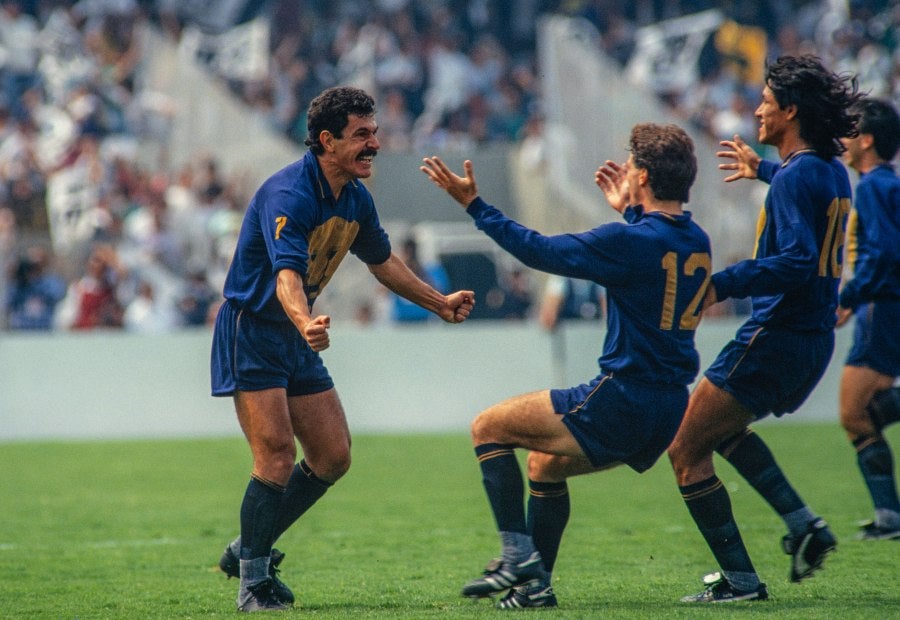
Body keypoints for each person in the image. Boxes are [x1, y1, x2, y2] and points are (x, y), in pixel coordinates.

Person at [420, 122, 712, 609]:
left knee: (487, 427)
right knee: (545, 466)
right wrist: (634, 212)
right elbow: (655, 249)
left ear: (640, 174)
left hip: (624, 397)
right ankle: (537, 590)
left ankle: (516, 557)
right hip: (667, 408)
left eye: (632, 164)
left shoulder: (627, 241)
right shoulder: (695, 237)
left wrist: (474, 205)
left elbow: (538, 250)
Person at [210, 86, 475, 612]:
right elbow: (286, 277)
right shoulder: (291, 194)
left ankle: (247, 547)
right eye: (362, 135)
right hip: (255, 331)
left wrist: (438, 303)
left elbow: (383, 262)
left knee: (332, 456)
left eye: (374, 133)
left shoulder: (354, 197)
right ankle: (253, 583)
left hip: (295, 331)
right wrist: (306, 321)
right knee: (278, 456)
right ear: (327, 141)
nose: (374, 143)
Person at [667, 55, 862, 603]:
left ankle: (742, 581)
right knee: (720, 431)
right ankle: (804, 525)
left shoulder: (798, 178)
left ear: (790, 111)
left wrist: (719, 283)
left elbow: (798, 259)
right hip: (810, 339)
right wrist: (763, 169)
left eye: (767, 101)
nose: (757, 109)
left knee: (684, 447)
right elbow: (803, 189)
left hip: (776, 333)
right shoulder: (827, 169)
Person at [835, 97, 900, 540]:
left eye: (849, 130)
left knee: (853, 411)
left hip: (881, 304)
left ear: (868, 140)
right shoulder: (883, 184)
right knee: (860, 413)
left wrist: (851, 296)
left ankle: (890, 516)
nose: (841, 138)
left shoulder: (876, 186)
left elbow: (884, 254)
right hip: (883, 304)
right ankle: (889, 517)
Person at [538, 274, 605, 330]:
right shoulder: (560, 279)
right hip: (568, 337)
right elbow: (547, 319)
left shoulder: (600, 277)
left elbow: (610, 317)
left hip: (594, 336)